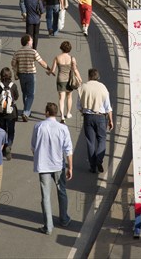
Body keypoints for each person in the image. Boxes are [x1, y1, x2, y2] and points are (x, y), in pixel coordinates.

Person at [31, 102, 73, 235]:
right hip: (58, 164)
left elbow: (33, 147)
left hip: (43, 166)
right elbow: (68, 149)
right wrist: (70, 167)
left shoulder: (38, 126)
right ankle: (64, 218)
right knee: (62, 191)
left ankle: (48, 226)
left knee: (46, 196)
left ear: (47, 112)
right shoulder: (63, 128)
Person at [77, 68, 114, 173]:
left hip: (88, 117)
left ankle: (92, 165)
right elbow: (108, 107)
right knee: (102, 140)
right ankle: (99, 160)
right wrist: (110, 120)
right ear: (98, 77)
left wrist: (84, 111)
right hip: (101, 117)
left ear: (89, 76)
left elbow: (79, 106)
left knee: (90, 142)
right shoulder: (103, 88)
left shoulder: (83, 87)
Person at [11, 34, 51, 122]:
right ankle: (25, 112)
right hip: (31, 75)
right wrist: (49, 68)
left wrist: (15, 72)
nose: (32, 42)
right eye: (31, 40)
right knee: (31, 95)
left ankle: (27, 110)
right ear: (28, 42)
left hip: (21, 75)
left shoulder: (17, 52)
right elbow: (41, 62)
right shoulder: (33, 52)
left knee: (25, 93)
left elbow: (13, 63)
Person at [51, 41, 82, 123]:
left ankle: (62, 116)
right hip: (69, 80)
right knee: (69, 97)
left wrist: (49, 72)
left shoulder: (57, 57)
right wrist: (79, 78)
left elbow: (53, 70)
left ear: (61, 48)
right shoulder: (72, 58)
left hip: (60, 80)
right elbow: (75, 70)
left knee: (61, 98)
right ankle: (68, 113)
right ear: (69, 49)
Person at [0, 68, 19, 161]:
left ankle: (3, 147)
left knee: (2, 129)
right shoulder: (13, 86)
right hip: (11, 112)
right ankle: (9, 145)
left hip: (1, 112)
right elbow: (16, 96)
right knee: (11, 130)